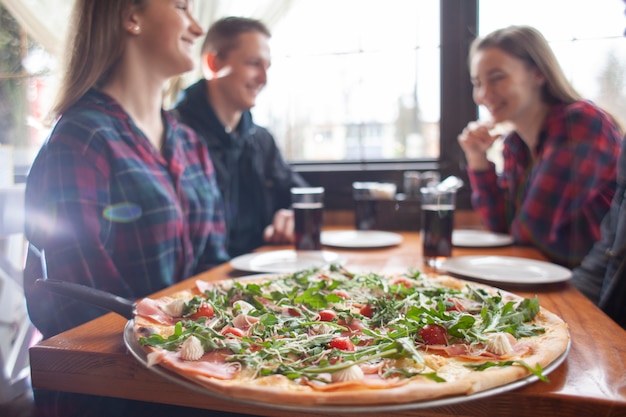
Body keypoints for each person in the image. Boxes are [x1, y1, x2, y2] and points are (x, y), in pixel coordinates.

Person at [23, 0, 229, 341]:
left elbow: (213, 270)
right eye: (181, 7)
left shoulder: (191, 144)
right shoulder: (80, 141)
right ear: (131, 16)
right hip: (119, 375)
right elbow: (80, 309)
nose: (198, 28)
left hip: (195, 352)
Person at [458, 25, 622, 268]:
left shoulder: (581, 124)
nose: (483, 94)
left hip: (592, 289)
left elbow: (530, 231)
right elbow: (500, 226)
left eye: (497, 78)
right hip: (551, 274)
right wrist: (477, 158)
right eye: (477, 82)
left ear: (538, 74)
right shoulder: (515, 144)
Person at [173, 16, 308, 258]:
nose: (264, 79)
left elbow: (302, 194)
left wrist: (292, 214)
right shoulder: (175, 135)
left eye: (267, 67)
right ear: (213, 64)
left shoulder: (261, 139)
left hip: (263, 270)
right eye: (254, 63)